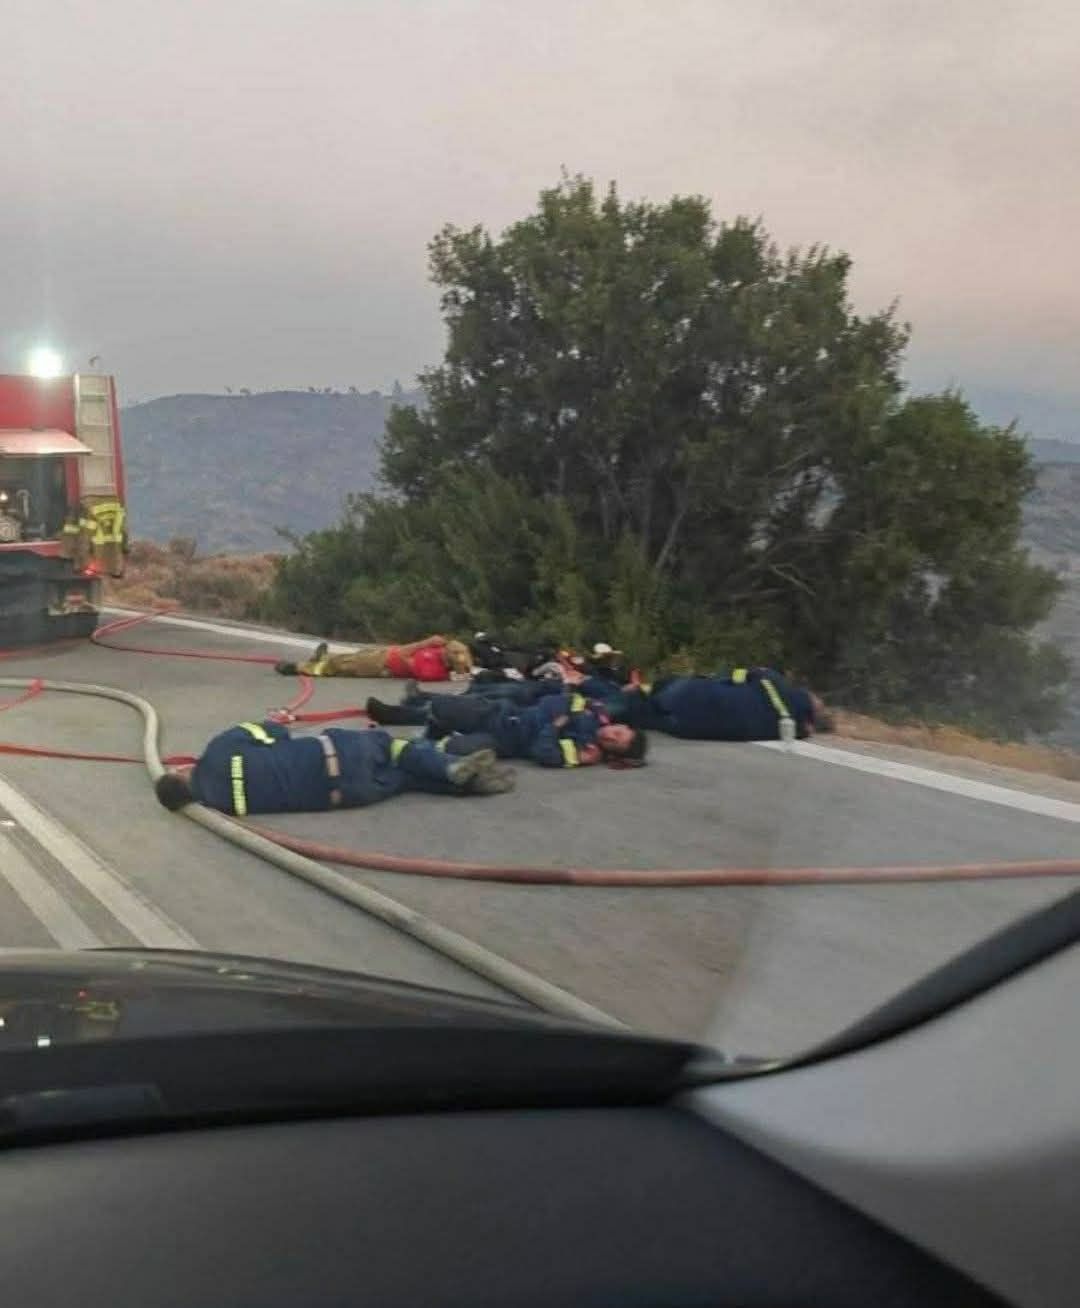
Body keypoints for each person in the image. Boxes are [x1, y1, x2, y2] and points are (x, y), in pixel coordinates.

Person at [154, 719, 514, 815]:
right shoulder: (218, 750)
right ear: (179, 773)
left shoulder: (223, 807)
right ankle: (450, 767)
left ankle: (471, 784)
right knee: (395, 747)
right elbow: (276, 730)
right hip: (339, 753)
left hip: (351, 795)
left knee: (406, 781)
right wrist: (278, 723)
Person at [387, 691, 647, 769]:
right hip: (503, 713)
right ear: (621, 725)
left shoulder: (585, 751)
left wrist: (555, 725)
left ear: (612, 754)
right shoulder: (597, 711)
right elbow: (557, 699)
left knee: (454, 752)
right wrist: (564, 718)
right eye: (618, 732)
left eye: (615, 742)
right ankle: (419, 717)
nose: (610, 735)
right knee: (443, 706)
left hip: (504, 741)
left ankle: (413, 744)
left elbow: (542, 751)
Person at [614, 668, 832, 741]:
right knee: (642, 716)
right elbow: (809, 730)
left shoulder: (773, 680)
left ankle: (629, 693)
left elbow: (734, 675)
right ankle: (614, 711)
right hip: (688, 728)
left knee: (664, 687)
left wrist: (710, 679)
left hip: (693, 696)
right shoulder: (793, 731)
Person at [275, 636, 472, 681]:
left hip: (382, 664)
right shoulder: (440, 655)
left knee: (338, 666)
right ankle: (321, 659)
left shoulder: (432, 672)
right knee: (346, 657)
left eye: (448, 649)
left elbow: (404, 655)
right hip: (384, 654)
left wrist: (425, 642)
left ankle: (296, 668)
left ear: (449, 659)